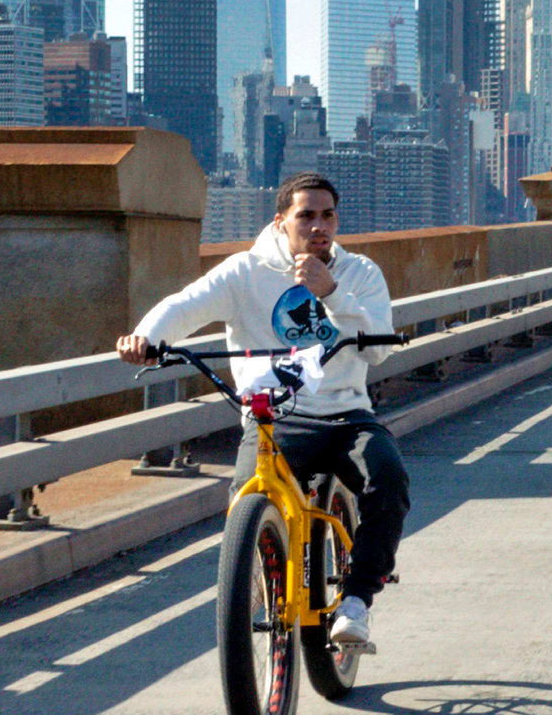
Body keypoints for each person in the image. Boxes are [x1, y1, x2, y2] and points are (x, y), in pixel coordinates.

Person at [118, 172, 402, 671]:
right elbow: (185, 306)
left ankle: (356, 600)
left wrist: (331, 291)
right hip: (276, 416)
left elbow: (377, 348)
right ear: (281, 221)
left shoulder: (360, 274)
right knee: (247, 497)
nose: (318, 227)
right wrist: (144, 336)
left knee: (389, 478)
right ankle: (249, 586)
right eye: (306, 216)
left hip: (345, 414)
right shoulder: (245, 272)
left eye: (327, 216)